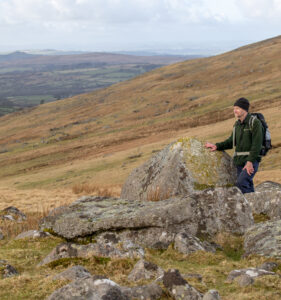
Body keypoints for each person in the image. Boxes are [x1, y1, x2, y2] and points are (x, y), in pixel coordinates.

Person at [205, 97, 263, 194]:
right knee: (246, 186)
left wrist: (250, 162)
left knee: (241, 183)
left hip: (251, 161)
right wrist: (217, 146)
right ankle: (253, 205)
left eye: (237, 108)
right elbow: (231, 141)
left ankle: (249, 206)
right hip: (239, 162)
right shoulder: (237, 125)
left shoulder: (255, 123)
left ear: (244, 109)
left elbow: (257, 145)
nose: (234, 111)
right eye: (234, 108)